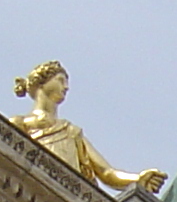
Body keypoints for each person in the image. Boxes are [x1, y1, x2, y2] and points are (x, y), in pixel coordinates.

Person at [9, 61, 165, 193]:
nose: (66, 87)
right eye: (60, 80)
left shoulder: (71, 133)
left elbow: (106, 173)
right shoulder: (19, 124)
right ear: (42, 83)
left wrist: (138, 179)